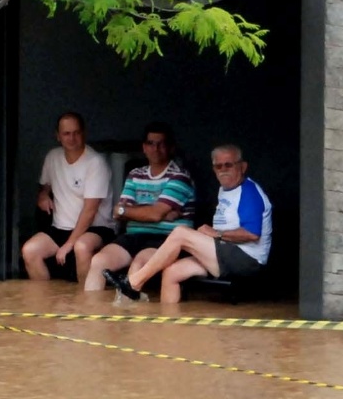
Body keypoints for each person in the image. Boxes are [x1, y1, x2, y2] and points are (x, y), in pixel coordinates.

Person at [113, 144, 272, 304]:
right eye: (218, 166)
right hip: (225, 253)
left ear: (242, 167)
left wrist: (217, 233)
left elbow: (252, 234)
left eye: (229, 164)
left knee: (181, 233)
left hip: (246, 260)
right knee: (172, 272)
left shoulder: (249, 192)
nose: (223, 169)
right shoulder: (226, 189)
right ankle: (167, 324)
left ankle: (134, 282)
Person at [84, 122, 195, 292]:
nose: (155, 148)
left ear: (171, 147)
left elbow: (154, 214)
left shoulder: (179, 177)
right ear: (144, 147)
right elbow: (118, 212)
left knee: (139, 263)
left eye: (161, 143)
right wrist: (156, 213)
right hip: (133, 236)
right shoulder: (135, 174)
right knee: (99, 261)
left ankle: (127, 315)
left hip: (166, 239)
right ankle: (90, 314)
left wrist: (140, 212)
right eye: (151, 143)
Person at [22, 111, 113, 281]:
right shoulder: (53, 157)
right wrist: (43, 195)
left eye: (76, 133)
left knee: (81, 247)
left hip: (96, 228)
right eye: (66, 133)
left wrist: (69, 243)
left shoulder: (95, 163)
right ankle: (45, 302)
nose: (72, 138)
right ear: (58, 136)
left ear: (83, 133)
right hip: (60, 227)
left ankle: (84, 303)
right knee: (30, 250)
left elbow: (90, 210)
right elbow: (45, 184)